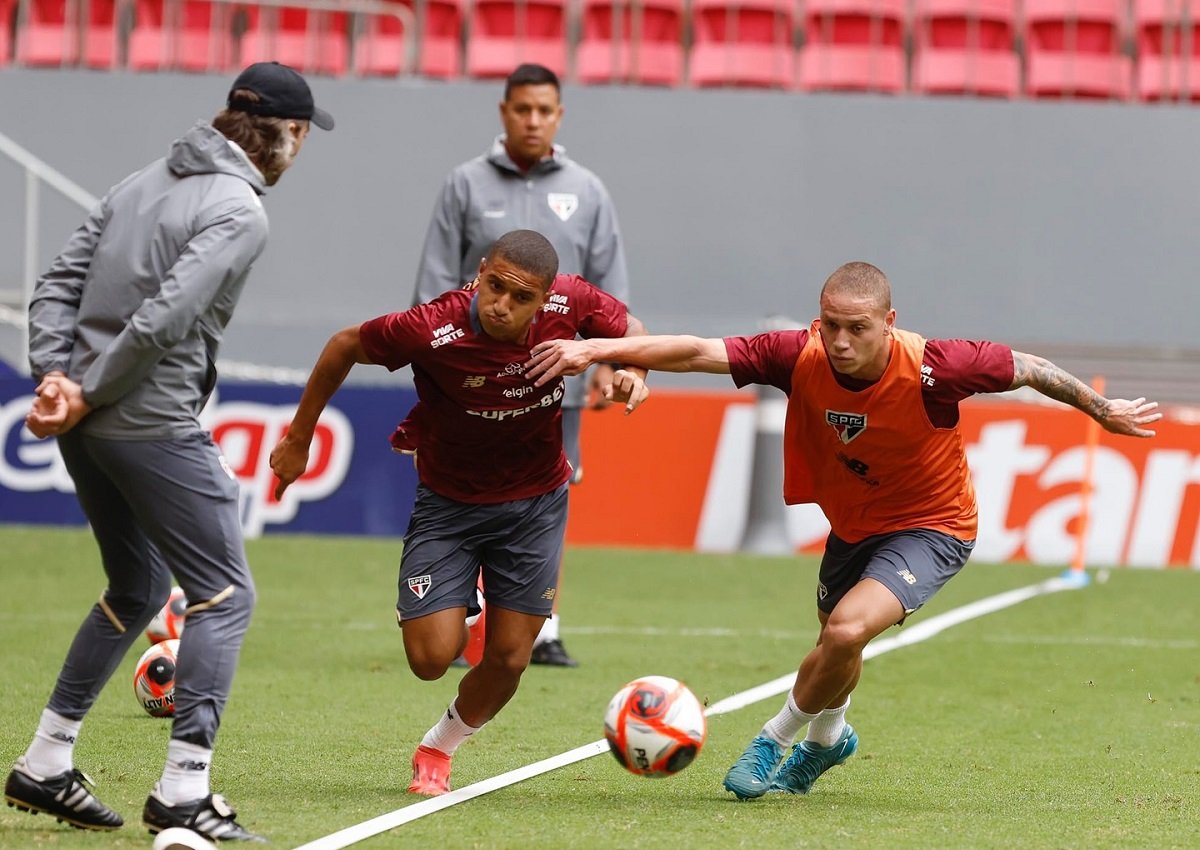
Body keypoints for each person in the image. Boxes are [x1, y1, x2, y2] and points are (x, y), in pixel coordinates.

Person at [525, 260, 1161, 800]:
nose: (840, 340)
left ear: (888, 322)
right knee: (838, 645)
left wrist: (1100, 410)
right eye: (830, 325)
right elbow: (697, 351)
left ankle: (773, 740)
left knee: (847, 627)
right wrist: (596, 349)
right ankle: (831, 738)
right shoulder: (796, 354)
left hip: (933, 527)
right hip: (853, 525)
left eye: (857, 328)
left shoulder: (939, 367)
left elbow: (1028, 367)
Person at [5, 61, 333, 842]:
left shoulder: (138, 182)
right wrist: (83, 389)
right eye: (303, 137)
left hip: (89, 422)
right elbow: (162, 321)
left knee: (138, 582)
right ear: (286, 136)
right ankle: (184, 790)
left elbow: (55, 284)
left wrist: (56, 378)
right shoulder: (240, 212)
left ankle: (46, 761)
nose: (301, 150)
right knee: (224, 595)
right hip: (147, 422)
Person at [270, 229, 647, 796]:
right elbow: (344, 345)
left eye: (521, 298)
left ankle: (439, 747)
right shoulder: (431, 327)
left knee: (511, 659)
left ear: (545, 300)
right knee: (429, 658)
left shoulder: (574, 302)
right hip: (449, 503)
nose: (502, 305)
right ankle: (462, 591)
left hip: (534, 504)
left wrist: (633, 371)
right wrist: (299, 438)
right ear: (480, 272)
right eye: (494, 287)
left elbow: (634, 332)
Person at [411, 62, 631, 667]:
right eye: (522, 109)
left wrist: (613, 360)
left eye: (545, 110)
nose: (533, 120)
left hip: (553, 379)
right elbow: (433, 283)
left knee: (552, 487)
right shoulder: (464, 184)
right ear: (504, 112)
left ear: (559, 116)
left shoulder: (587, 190)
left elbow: (610, 287)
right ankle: (461, 608)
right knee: (466, 483)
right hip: (470, 382)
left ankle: (545, 625)